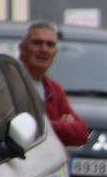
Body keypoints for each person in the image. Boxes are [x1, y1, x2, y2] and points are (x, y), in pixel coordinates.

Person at [18, 20, 90, 148]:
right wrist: (62, 126)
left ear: (55, 53)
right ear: (22, 48)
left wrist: (44, 126)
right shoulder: (7, 81)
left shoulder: (53, 88)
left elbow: (82, 133)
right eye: (37, 43)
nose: (44, 49)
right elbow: (20, 128)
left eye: (50, 45)